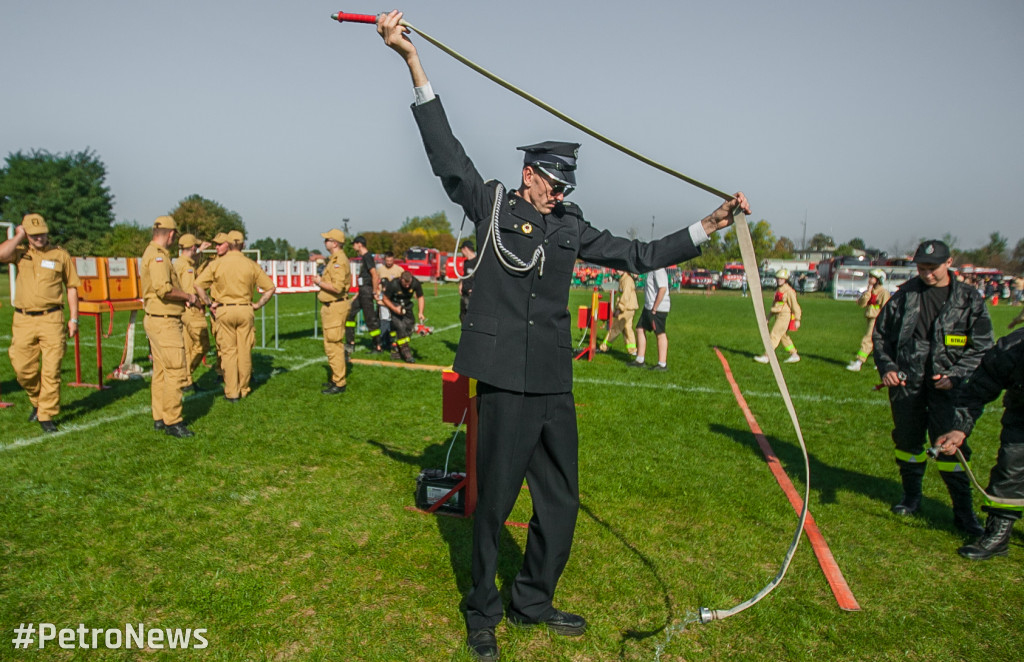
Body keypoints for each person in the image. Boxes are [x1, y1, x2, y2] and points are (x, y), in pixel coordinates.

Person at [377, 11, 750, 660]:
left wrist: (709, 225)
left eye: (563, 187)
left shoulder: (572, 228)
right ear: (529, 175)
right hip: (501, 379)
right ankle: (482, 613)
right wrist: (411, 63)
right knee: (491, 506)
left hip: (552, 382)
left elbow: (639, 253)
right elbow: (447, 156)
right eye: (551, 183)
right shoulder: (492, 203)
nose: (556, 194)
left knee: (560, 501)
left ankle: (532, 600)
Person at [873, 239, 993, 536]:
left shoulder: (968, 298)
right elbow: (880, 337)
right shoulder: (904, 295)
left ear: (949, 262)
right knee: (907, 443)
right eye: (921, 268)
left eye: (932, 268)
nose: (926, 274)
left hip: (949, 389)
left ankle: (964, 513)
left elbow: (983, 347)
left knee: (950, 447)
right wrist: (888, 368)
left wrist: (957, 374)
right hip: (906, 384)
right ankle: (911, 498)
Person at [934, 328, 1024, 560]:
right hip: (1022, 417)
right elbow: (976, 390)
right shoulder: (1009, 350)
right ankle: (998, 536)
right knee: (1010, 470)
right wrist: (958, 429)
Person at [0, 213, 80, 433]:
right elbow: (1, 254)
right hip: (23, 319)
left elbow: (72, 286)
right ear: (26, 234)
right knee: (22, 368)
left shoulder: (60, 255)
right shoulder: (19, 252)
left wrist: (74, 318)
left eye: (42, 233)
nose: (39, 238)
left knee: (51, 370)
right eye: (34, 235)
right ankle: (37, 400)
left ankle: (46, 415)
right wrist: (18, 237)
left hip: (52, 318)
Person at [194, 231, 276, 402]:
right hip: (245, 308)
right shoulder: (250, 264)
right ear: (243, 245)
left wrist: (209, 303)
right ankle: (244, 388)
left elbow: (198, 284)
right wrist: (258, 304)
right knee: (244, 351)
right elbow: (270, 288)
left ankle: (231, 392)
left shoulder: (217, 263)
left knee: (228, 353)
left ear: (228, 244)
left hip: (224, 310)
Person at [140, 216, 199, 437]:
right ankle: (173, 421)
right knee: (175, 370)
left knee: (161, 372)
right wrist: (188, 297)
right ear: (172, 234)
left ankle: (159, 416)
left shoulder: (153, 253)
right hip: (165, 321)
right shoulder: (158, 257)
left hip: (156, 318)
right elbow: (163, 289)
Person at [314, 229, 352, 394]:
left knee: (334, 345)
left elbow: (336, 287)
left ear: (335, 243)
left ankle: (339, 382)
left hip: (335, 306)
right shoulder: (335, 259)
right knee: (331, 344)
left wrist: (319, 282)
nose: (325, 243)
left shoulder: (338, 260)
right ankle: (336, 378)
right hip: (332, 306)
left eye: (327, 240)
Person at [174, 233, 212, 391]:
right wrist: (203, 303)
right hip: (191, 310)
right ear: (192, 247)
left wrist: (200, 252)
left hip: (181, 311)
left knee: (189, 347)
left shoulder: (179, 263)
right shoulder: (187, 267)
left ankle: (186, 381)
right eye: (196, 247)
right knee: (203, 345)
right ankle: (183, 376)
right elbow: (190, 292)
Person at [754, 268, 802, 364]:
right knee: (783, 336)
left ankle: (767, 356)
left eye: (781, 278)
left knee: (774, 335)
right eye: (778, 278)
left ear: (786, 280)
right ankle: (794, 354)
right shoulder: (778, 291)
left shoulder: (788, 291)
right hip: (778, 315)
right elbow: (774, 305)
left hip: (784, 316)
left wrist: (797, 319)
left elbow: (795, 305)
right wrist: (768, 317)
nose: (779, 280)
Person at [846, 268, 890, 372]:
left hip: (877, 319)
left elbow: (886, 308)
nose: (869, 279)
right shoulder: (870, 291)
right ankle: (880, 362)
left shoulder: (883, 292)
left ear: (879, 279)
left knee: (868, 339)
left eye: (872, 277)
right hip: (870, 317)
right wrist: (868, 292)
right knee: (877, 341)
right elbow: (862, 304)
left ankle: (859, 362)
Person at [345, 235, 383, 354]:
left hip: (367, 292)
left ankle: (378, 346)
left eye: (354, 244)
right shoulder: (364, 257)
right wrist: (357, 293)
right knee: (349, 314)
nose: (353, 246)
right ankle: (350, 343)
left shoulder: (367, 257)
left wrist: (374, 291)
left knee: (370, 320)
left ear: (359, 244)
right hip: (362, 291)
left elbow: (374, 275)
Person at [380, 270, 425, 364]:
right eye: (405, 284)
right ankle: (407, 353)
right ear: (401, 279)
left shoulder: (415, 283)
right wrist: (394, 308)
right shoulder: (393, 284)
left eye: (409, 284)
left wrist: (420, 312)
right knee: (400, 327)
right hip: (395, 305)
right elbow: (385, 298)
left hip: (407, 306)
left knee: (409, 327)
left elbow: (420, 297)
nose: (407, 286)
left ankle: (396, 348)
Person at [629, 268, 670, 370]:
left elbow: (663, 289)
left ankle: (662, 363)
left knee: (660, 333)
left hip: (657, 308)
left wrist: (655, 308)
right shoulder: (652, 269)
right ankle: (640, 359)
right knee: (640, 328)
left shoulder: (659, 270)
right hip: (649, 307)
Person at [598, 271, 638, 357]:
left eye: (619, 269)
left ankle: (604, 347)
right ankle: (633, 350)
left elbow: (625, 296)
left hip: (626, 308)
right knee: (627, 329)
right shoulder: (624, 279)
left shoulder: (627, 280)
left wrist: (619, 309)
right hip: (630, 308)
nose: (616, 271)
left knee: (615, 328)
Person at [376, 252, 405, 351]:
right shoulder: (380, 270)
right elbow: (376, 282)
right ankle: (384, 341)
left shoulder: (399, 270)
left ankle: (394, 342)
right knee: (384, 320)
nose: (389, 263)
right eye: (387, 261)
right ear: (385, 260)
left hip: (395, 299)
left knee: (395, 322)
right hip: (383, 299)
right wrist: (377, 295)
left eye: (391, 261)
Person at [458, 240, 478, 322]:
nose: (462, 252)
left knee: (471, 317)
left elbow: (479, 277)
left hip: (472, 294)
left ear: (465, 248)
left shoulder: (477, 261)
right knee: (462, 316)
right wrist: (461, 285)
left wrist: (474, 288)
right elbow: (464, 275)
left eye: (462, 249)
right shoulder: (466, 262)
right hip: (464, 293)